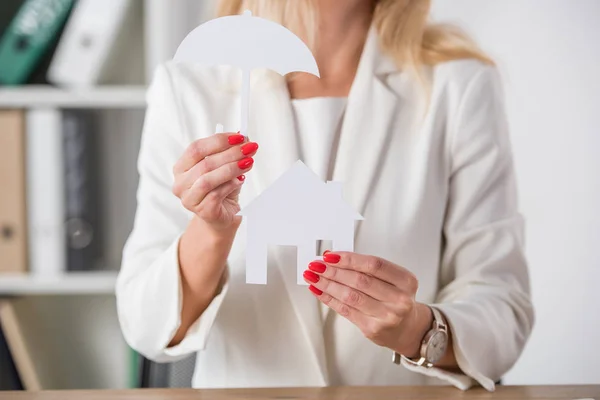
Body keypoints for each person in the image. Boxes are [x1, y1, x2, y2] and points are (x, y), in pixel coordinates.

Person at [116, 0, 534, 391]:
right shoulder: (189, 87)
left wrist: (417, 331)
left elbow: (503, 307)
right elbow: (146, 325)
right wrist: (210, 230)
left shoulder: (456, 84)